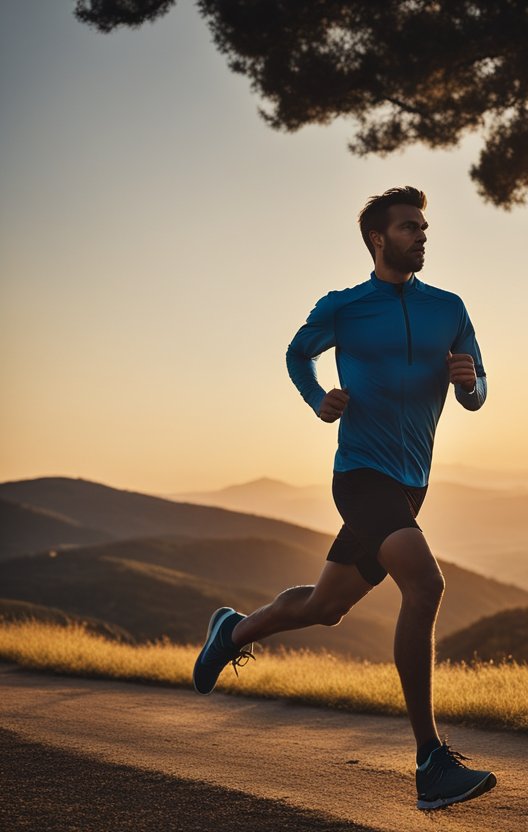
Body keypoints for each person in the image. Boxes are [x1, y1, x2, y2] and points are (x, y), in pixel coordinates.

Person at [191, 186, 496, 810]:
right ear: (378, 239)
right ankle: (430, 762)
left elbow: (480, 384)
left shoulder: (450, 307)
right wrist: (318, 399)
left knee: (326, 606)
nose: (422, 235)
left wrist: (471, 386)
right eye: (410, 227)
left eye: (424, 226)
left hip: (411, 485)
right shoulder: (345, 307)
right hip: (360, 476)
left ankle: (232, 632)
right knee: (427, 585)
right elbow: (296, 354)